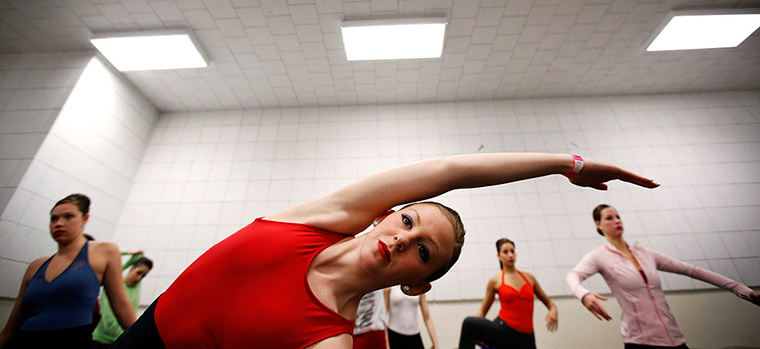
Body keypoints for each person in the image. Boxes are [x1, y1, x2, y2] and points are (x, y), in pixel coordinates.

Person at [112, 153, 658, 349]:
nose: (400, 239)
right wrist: (570, 164)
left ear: (416, 285)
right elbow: (452, 172)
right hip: (146, 328)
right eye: (406, 219)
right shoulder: (324, 219)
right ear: (384, 213)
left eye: (421, 253)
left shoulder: (327, 339)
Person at [566, 204, 760, 349]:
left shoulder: (645, 254)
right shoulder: (599, 256)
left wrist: (743, 291)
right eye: (609, 218)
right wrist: (584, 295)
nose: (617, 220)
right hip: (640, 341)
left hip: (675, 338)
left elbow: (693, 271)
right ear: (598, 225)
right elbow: (573, 276)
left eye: (618, 216)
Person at [0, 194, 136, 349]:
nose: (59, 223)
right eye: (54, 219)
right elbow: (10, 328)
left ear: (85, 218)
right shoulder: (36, 266)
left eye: (68, 217)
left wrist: (144, 340)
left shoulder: (104, 251)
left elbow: (121, 304)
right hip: (24, 341)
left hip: (71, 341)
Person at [457, 238, 558, 349]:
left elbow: (549, 303)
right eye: (505, 252)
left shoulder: (529, 278)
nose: (510, 255)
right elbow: (482, 311)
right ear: (499, 256)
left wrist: (553, 310)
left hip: (526, 337)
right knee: (469, 324)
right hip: (504, 330)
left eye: (512, 251)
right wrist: (475, 331)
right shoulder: (496, 280)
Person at [92, 253, 154, 348]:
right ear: (132, 268)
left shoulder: (135, 289)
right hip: (98, 338)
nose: (139, 278)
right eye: (139, 272)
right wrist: (129, 252)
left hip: (117, 340)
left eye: (143, 276)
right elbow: (112, 254)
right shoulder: (112, 282)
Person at [384, 284, 439, 349]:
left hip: (414, 337)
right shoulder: (389, 286)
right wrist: (386, 342)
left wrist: (435, 344)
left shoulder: (418, 286)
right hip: (394, 337)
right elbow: (383, 317)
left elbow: (427, 318)